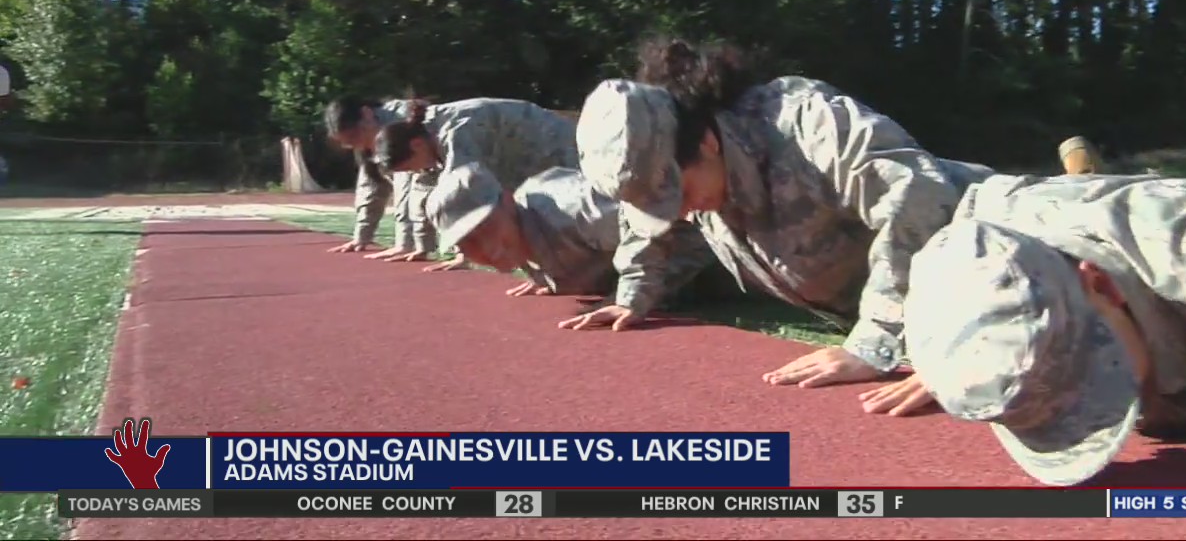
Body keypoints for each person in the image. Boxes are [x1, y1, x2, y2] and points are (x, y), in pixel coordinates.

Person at [561, 37, 994, 414]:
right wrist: (633, 295)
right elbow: (643, 220)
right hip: (910, 306)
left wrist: (874, 341)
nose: (680, 214)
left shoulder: (806, 124)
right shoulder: (682, 167)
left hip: (995, 262)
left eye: (681, 194)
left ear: (706, 143)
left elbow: (917, 201)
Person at [899, 172, 1186, 486]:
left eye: (1098, 379)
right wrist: (961, 354)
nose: (1100, 416)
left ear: (1101, 285)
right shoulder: (987, 230)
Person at [425, 163, 713, 306]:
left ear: (509, 201)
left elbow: (666, 223)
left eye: (486, 227)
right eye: (467, 241)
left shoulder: (575, 210)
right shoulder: (519, 237)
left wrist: (629, 298)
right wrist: (552, 276)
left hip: (717, 260)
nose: (485, 247)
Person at [372, 96, 579, 271]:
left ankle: (575, 269)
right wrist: (425, 246)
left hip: (554, 144)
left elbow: (469, 202)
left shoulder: (456, 137)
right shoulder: (428, 134)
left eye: (411, 167)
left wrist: (465, 253)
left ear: (416, 145)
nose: (417, 172)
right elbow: (427, 195)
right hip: (520, 154)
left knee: (559, 209)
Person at [324, 96, 428, 261]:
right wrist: (361, 236)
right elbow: (371, 185)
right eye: (348, 143)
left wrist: (404, 244)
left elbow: (408, 187)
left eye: (354, 137)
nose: (355, 145)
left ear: (367, 114)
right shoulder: (369, 135)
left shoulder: (399, 124)